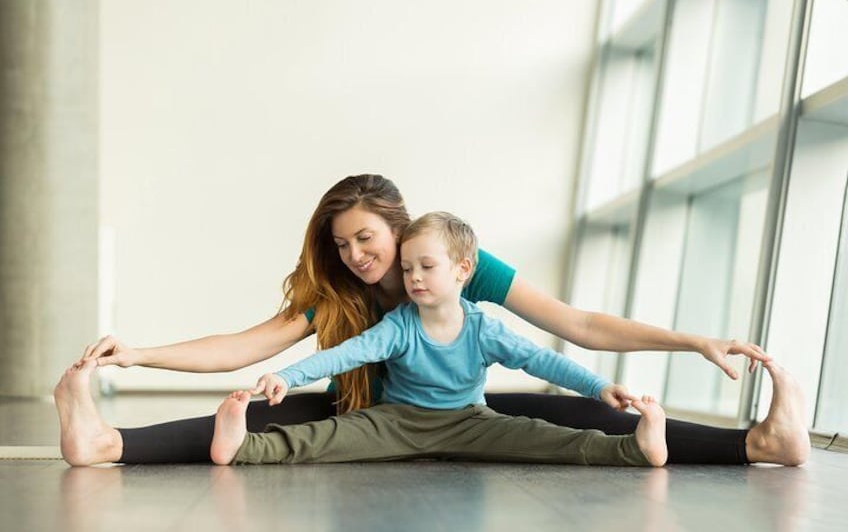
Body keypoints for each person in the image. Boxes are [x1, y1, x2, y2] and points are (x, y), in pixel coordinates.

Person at [54, 174, 810, 466]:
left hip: (463, 409)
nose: (355, 255)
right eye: (342, 243)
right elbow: (247, 347)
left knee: (581, 409)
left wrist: (691, 339)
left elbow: (575, 328)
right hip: (376, 413)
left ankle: (760, 441)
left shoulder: (458, 271)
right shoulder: (341, 294)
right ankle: (104, 441)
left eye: (367, 239)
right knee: (264, 417)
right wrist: (139, 352)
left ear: (401, 229)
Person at [210, 211, 667, 467]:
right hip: (395, 421)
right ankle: (246, 447)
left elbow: (540, 361)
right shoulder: (400, 325)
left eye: (427, 267)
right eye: (407, 269)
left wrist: (598, 388)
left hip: (471, 422)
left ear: (462, 270)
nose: (414, 278)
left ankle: (632, 448)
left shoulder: (483, 328)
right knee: (322, 439)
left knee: (549, 440)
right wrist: (287, 376)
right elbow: (346, 354)